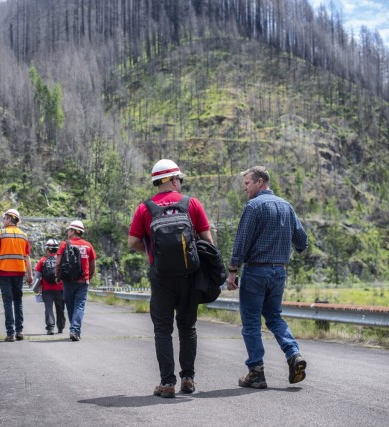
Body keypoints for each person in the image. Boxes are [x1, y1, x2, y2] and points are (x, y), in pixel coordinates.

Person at [128, 159, 214, 397]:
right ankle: (188, 378)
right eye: (180, 179)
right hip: (189, 276)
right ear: (173, 180)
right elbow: (208, 241)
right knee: (188, 327)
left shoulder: (144, 208)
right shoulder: (191, 204)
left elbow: (132, 242)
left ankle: (167, 383)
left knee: (163, 330)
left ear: (157, 182)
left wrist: (152, 251)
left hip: (161, 277)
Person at [227, 166, 308, 389]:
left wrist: (233, 270)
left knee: (251, 322)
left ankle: (256, 372)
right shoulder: (287, 206)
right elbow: (302, 241)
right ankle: (293, 354)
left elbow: (242, 241)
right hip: (279, 271)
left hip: (255, 271)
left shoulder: (253, 206)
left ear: (260, 182)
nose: (245, 188)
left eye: (247, 184)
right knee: (274, 317)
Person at [0, 208, 33, 342]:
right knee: (18, 301)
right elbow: (27, 257)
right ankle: (19, 331)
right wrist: (30, 275)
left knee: (8, 302)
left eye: (4, 218)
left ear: (9, 219)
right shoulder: (24, 235)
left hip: (4, 272)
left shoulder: (1, 234)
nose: (3, 221)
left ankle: (10, 333)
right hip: (19, 272)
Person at [55, 220, 97, 342]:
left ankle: (74, 329)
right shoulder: (88, 245)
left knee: (70, 305)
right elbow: (93, 263)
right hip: (83, 281)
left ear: (74, 231)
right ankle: (75, 330)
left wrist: (57, 276)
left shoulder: (64, 244)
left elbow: (58, 262)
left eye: (69, 230)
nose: (68, 232)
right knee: (79, 306)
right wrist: (90, 275)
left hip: (68, 280)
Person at [33, 239, 66, 335]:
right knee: (60, 309)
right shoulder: (61, 259)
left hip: (47, 290)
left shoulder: (43, 260)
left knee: (48, 308)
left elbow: (37, 276)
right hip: (60, 288)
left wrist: (36, 289)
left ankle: (50, 328)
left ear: (48, 249)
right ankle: (60, 327)